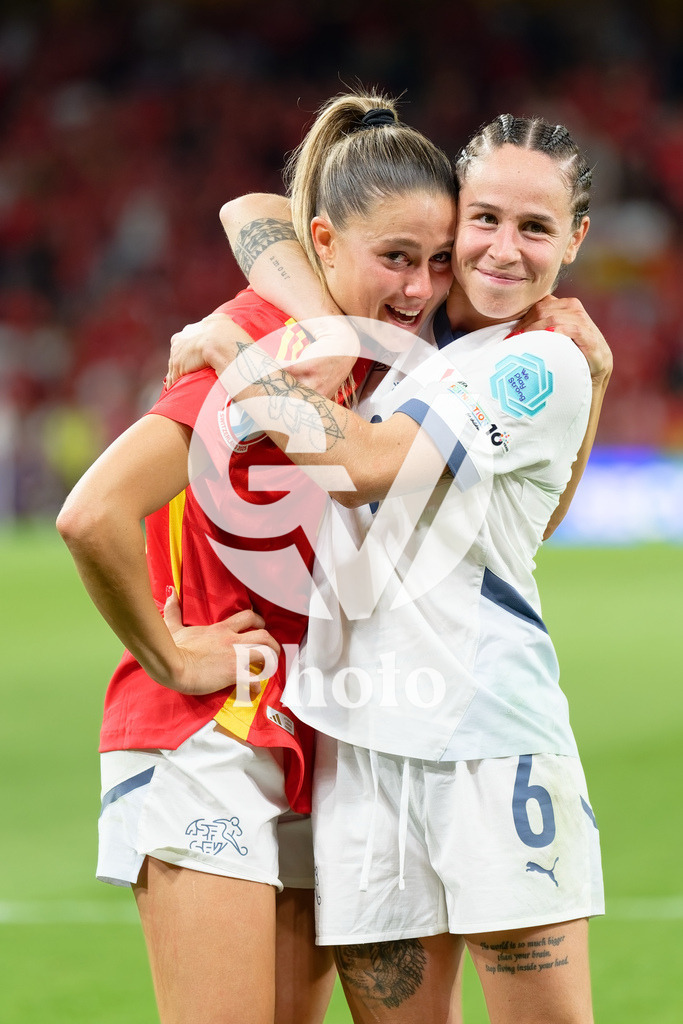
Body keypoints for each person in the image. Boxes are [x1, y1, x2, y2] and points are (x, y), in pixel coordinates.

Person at [167, 107, 611, 1023]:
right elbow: (253, 208)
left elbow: (367, 463)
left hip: (490, 745)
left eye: (535, 227)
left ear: (575, 238)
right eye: (482, 220)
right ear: (449, 216)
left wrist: (252, 356)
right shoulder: (393, 326)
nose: (500, 250)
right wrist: (305, 320)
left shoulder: (541, 361)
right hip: (359, 751)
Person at [56, 90, 460, 1024]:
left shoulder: (364, 347)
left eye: (435, 263)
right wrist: (171, 651)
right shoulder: (263, 345)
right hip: (204, 734)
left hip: (314, 730)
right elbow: (94, 514)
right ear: (325, 243)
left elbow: (257, 212)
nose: (419, 288)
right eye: (396, 258)